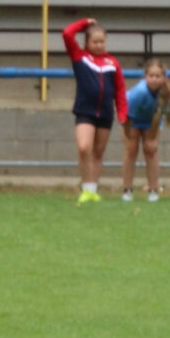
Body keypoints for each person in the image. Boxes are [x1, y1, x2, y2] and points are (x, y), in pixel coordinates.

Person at [62, 15, 127, 203]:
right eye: (95, 42)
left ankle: (92, 189)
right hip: (85, 111)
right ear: (87, 42)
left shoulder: (112, 63)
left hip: (105, 113)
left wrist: (122, 113)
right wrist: (84, 23)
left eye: (102, 42)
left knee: (98, 152)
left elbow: (120, 89)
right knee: (84, 148)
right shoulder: (80, 57)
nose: (99, 45)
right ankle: (85, 187)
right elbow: (67, 33)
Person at [120, 58, 170, 203]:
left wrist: (154, 138)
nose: (154, 79)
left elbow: (162, 114)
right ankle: (127, 190)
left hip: (150, 119)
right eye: (151, 76)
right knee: (131, 150)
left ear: (164, 77)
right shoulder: (140, 92)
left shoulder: (167, 92)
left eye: (158, 76)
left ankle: (153, 190)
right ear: (145, 76)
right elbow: (128, 117)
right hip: (131, 118)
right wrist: (127, 135)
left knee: (151, 151)